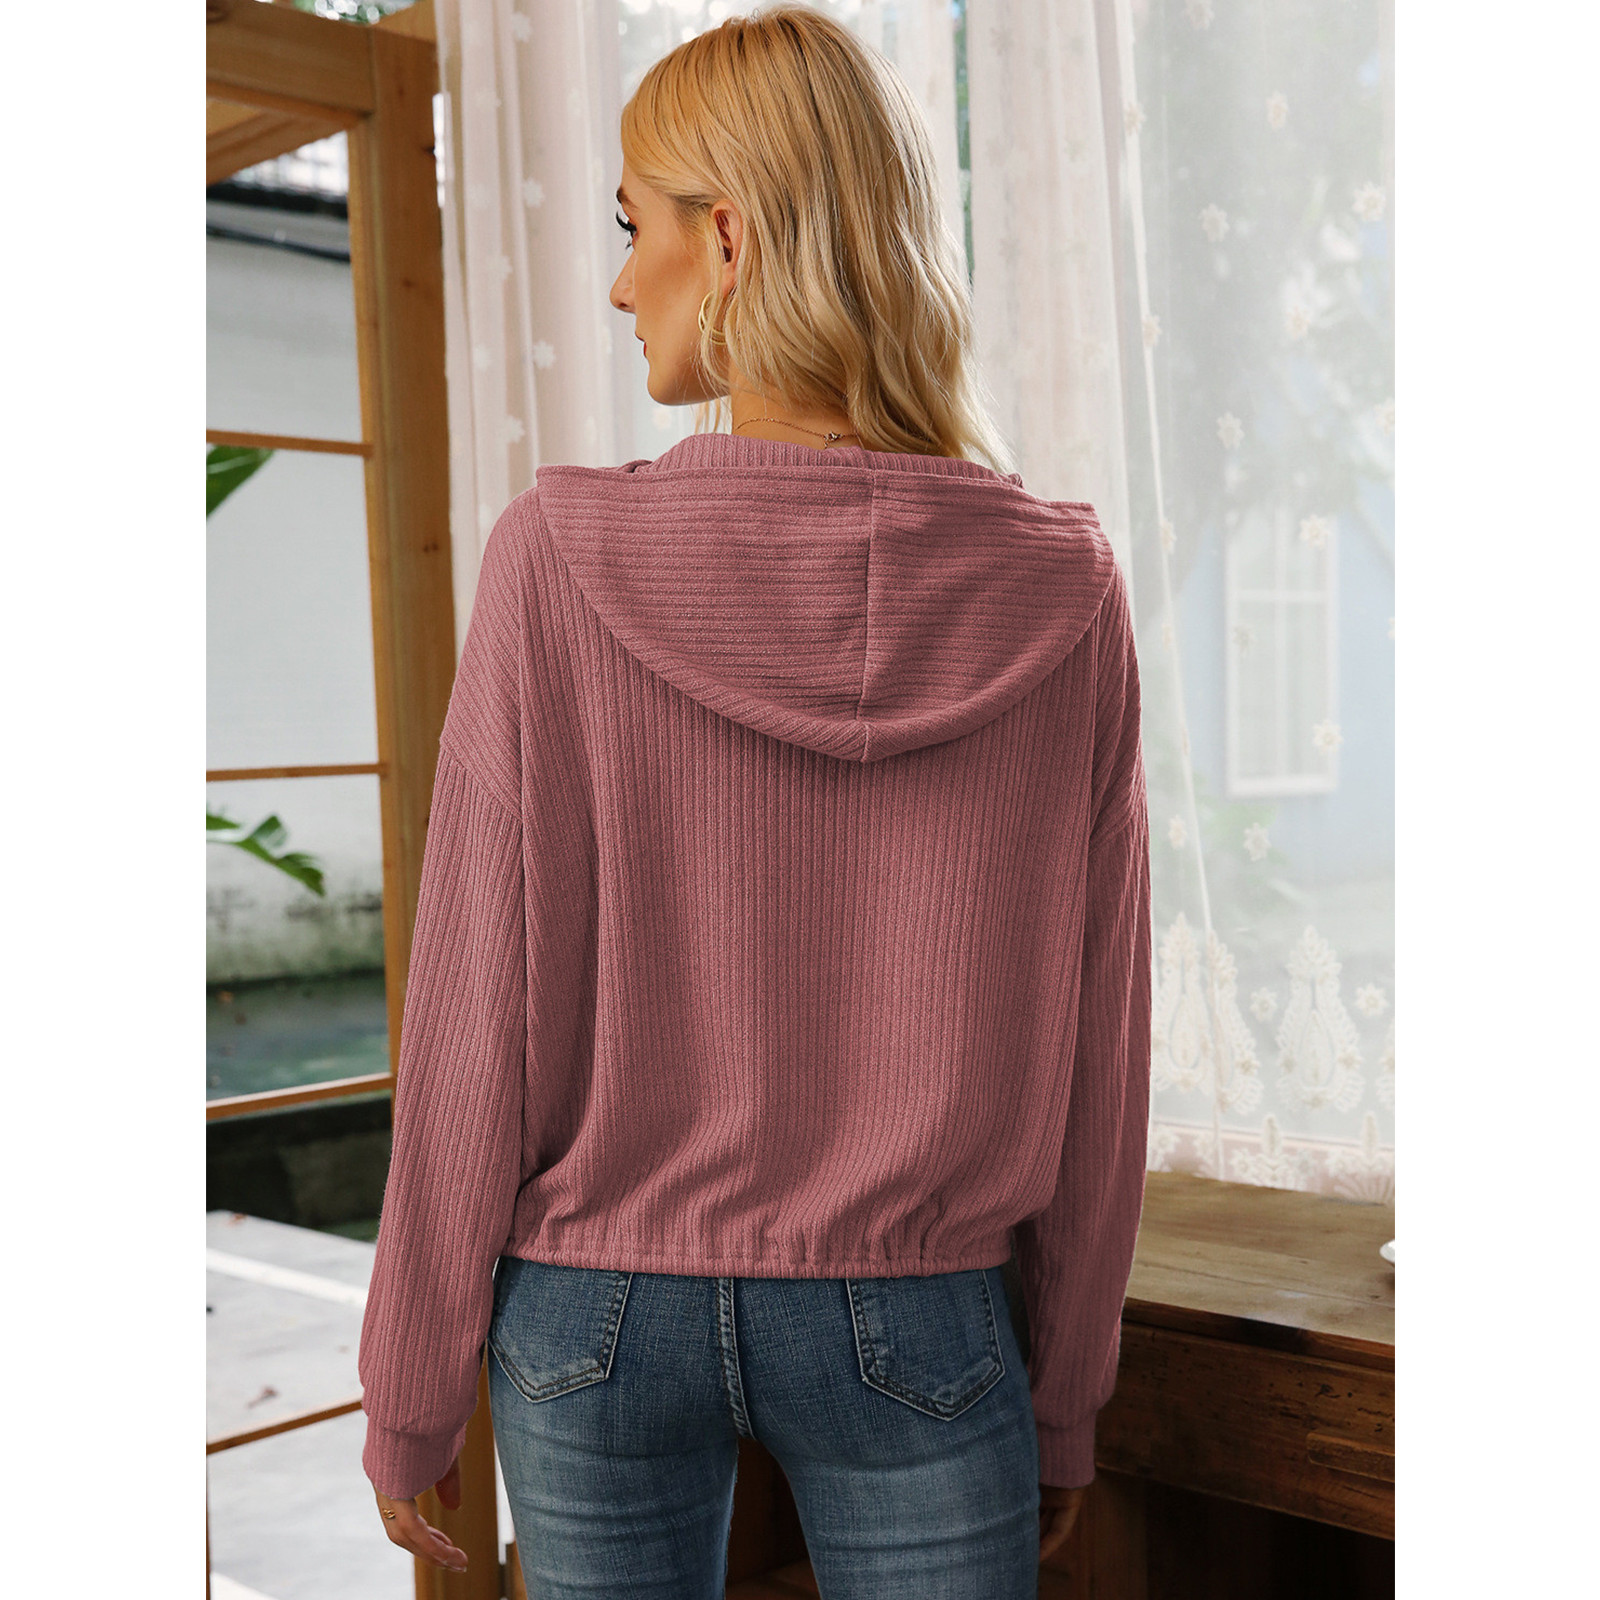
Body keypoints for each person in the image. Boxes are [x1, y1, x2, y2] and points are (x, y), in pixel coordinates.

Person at [357, 6, 1151, 1596]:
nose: (615, 281)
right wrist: (1064, 1398)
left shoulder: (550, 560)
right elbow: (1100, 1050)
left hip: (592, 1310)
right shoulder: (1065, 589)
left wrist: (410, 1383)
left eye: (632, 225)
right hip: (918, 1311)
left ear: (726, 240)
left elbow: (472, 1009)